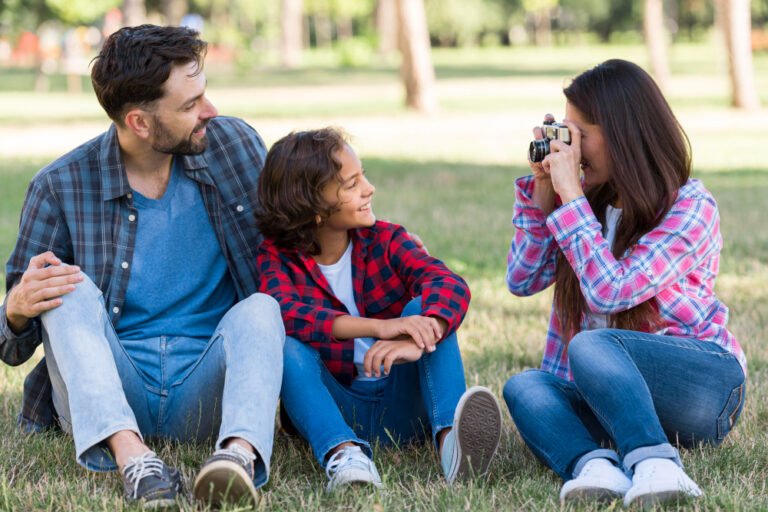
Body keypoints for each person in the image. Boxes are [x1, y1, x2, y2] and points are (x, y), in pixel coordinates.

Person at [0, 25, 284, 509]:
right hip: (109, 390)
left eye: (204, 95)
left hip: (207, 387)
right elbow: (10, 347)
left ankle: (236, 457)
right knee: (64, 287)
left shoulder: (234, 145)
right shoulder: (60, 185)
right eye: (190, 105)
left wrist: (377, 243)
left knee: (261, 306)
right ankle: (135, 461)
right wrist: (15, 310)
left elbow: (295, 236)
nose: (210, 112)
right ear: (139, 122)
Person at [502, 59, 747, 507]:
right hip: (609, 397)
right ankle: (594, 467)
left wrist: (571, 199)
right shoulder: (584, 206)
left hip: (702, 388)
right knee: (525, 386)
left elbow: (611, 290)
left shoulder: (690, 208)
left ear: (622, 133)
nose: (568, 146)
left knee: (592, 347)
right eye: (563, 131)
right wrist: (544, 200)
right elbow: (521, 280)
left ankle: (657, 465)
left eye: (580, 133)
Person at [255, 128, 502, 491]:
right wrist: (379, 327)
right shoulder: (276, 257)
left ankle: (453, 444)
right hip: (334, 407)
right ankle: (344, 454)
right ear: (314, 206)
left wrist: (421, 335)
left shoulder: (385, 239)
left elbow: (448, 283)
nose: (369, 188)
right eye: (352, 184)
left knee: (428, 312)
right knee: (286, 344)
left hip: (400, 405)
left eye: (363, 175)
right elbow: (287, 313)